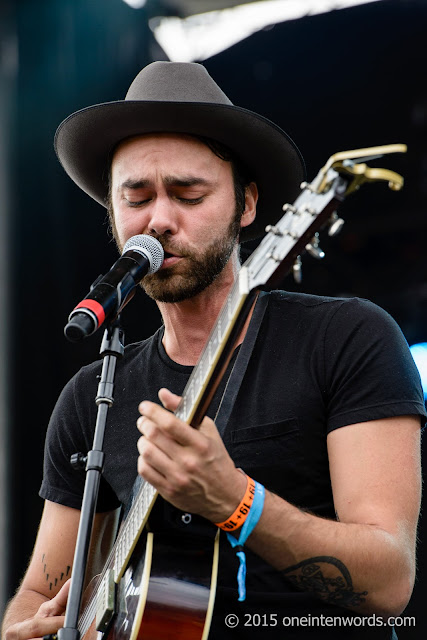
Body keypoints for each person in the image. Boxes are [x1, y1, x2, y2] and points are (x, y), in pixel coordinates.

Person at [2, 61, 425, 640]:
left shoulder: (348, 338)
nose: (159, 221)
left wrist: (236, 501)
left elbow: (390, 584)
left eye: (188, 194)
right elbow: (39, 593)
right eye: (137, 197)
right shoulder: (92, 397)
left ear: (246, 206)